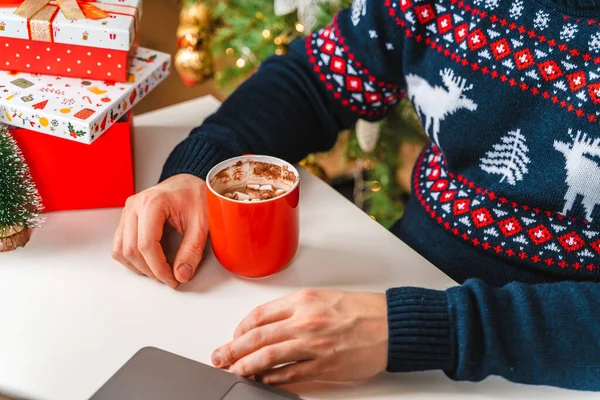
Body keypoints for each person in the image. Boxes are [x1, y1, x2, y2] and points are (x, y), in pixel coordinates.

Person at [112, 0, 600, 391]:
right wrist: (200, 167)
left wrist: (424, 331)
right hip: (404, 285)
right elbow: (315, 79)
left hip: (544, 358)